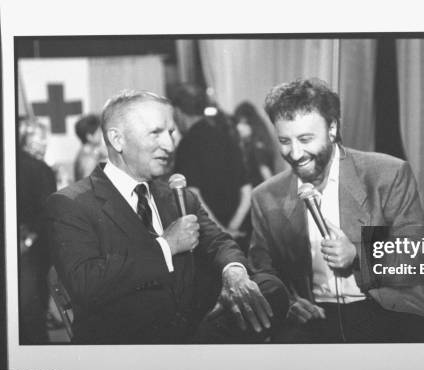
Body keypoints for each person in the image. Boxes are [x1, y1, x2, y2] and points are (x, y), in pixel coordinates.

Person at [45, 90, 288, 344]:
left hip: (189, 329)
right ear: (117, 140)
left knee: (269, 288)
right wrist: (166, 247)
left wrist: (234, 274)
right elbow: (86, 283)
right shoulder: (71, 203)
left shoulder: (176, 195)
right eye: (156, 133)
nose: (170, 146)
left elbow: (219, 243)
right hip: (127, 344)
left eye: (171, 133)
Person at [249, 79, 424, 343]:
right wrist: (289, 302)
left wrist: (357, 254)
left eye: (306, 139)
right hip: (314, 317)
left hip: (387, 307)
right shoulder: (265, 197)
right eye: (285, 141)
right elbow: (263, 271)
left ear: (332, 128)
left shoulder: (388, 174)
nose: (295, 154)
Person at [171, 84, 252, 242]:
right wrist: (233, 228)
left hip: (208, 236)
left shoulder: (187, 144)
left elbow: (192, 194)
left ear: (178, 112)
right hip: (240, 232)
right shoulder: (227, 137)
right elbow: (247, 190)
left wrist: (220, 230)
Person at [18, 117, 57, 343]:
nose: (45, 143)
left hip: (25, 246)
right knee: (34, 311)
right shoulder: (39, 169)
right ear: (26, 138)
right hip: (34, 249)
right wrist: (29, 240)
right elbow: (46, 211)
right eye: (41, 138)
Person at [233, 101, 276, 187]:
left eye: (243, 123)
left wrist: (274, 193)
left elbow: (265, 170)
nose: (239, 127)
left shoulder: (257, 146)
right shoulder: (257, 142)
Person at [74, 114, 108, 181]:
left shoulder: (86, 153)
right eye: (98, 132)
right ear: (89, 136)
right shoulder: (89, 160)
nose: (101, 134)